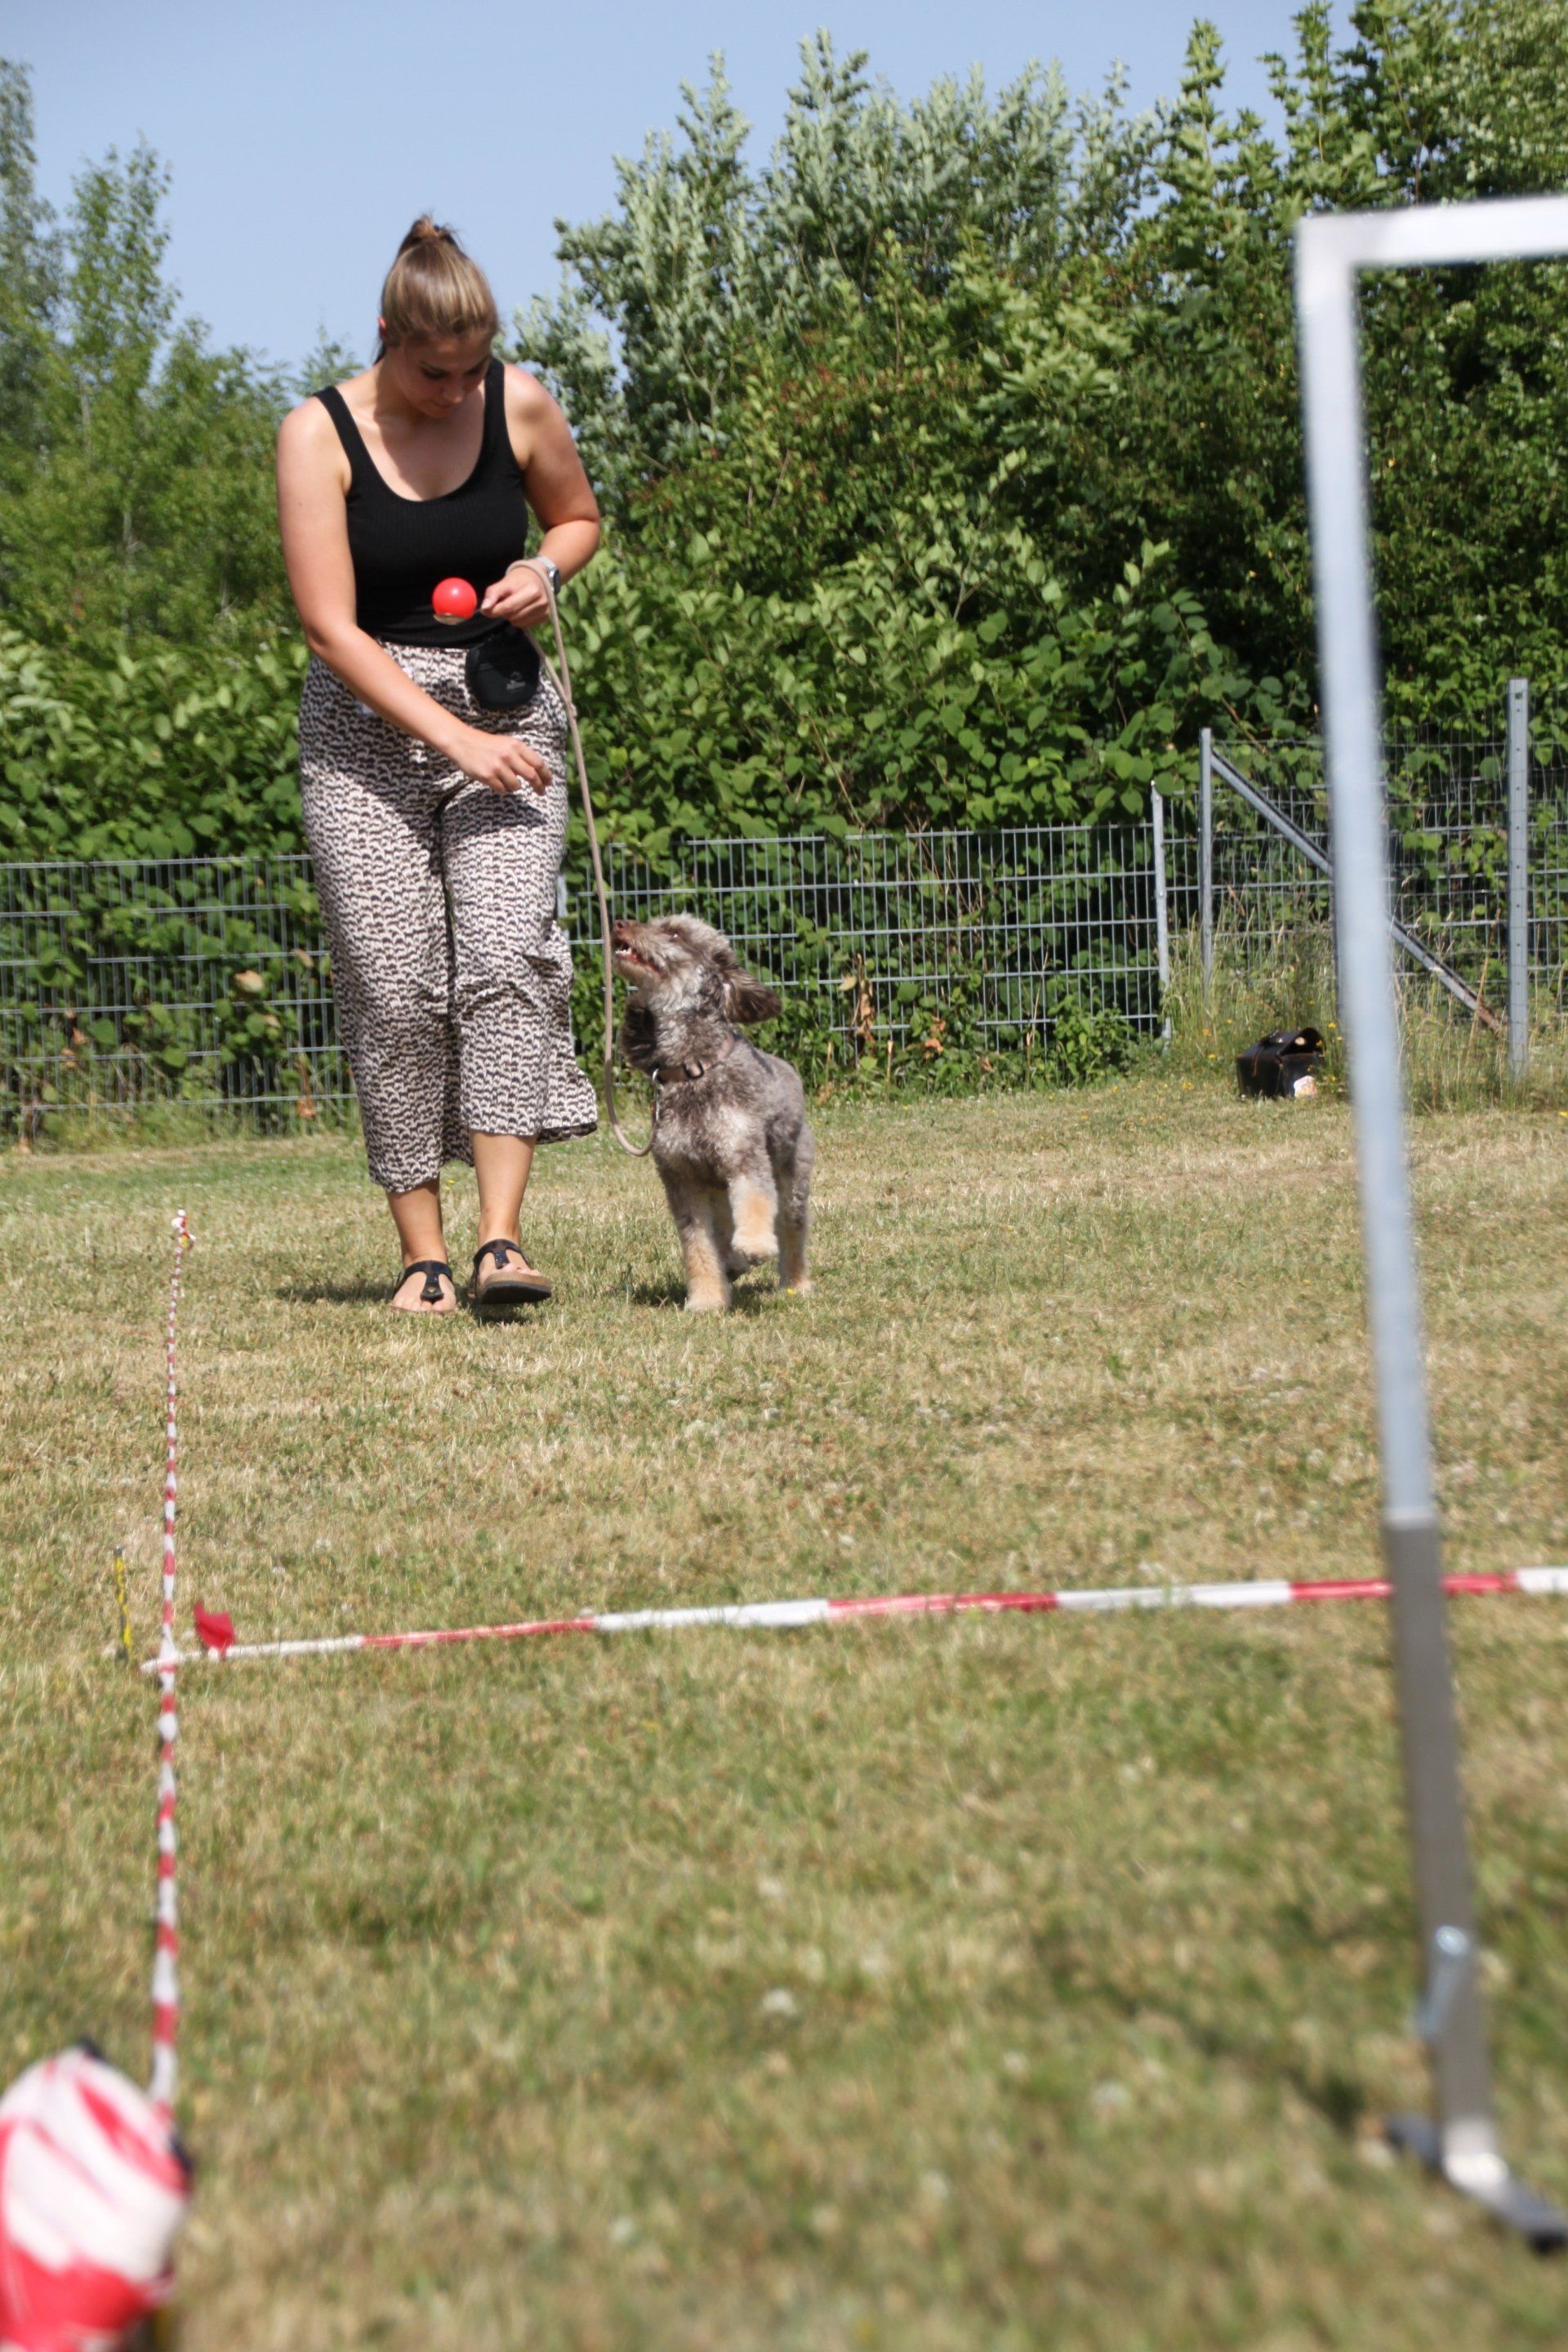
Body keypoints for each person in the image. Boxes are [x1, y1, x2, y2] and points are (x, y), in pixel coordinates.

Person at [276, 217, 601, 1314]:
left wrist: (544, 569)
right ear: (387, 334)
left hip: (507, 708)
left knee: (509, 958)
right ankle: (423, 1259)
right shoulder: (317, 434)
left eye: (471, 370)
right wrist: (450, 736)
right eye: (433, 374)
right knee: (392, 987)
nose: (455, 393)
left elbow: (578, 517)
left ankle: (501, 1243)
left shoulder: (519, 403)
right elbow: (330, 628)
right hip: (365, 732)